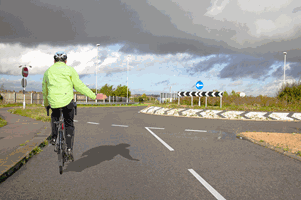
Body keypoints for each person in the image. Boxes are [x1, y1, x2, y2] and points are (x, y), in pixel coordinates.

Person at [42, 51, 103, 158]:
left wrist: (46, 104)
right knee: (69, 123)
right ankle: (69, 148)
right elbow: (79, 86)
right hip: (67, 101)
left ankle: (54, 137)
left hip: (54, 102)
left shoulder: (48, 71)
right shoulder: (70, 70)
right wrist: (94, 96)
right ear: (66, 61)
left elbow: (45, 90)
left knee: (54, 116)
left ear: (54, 61)